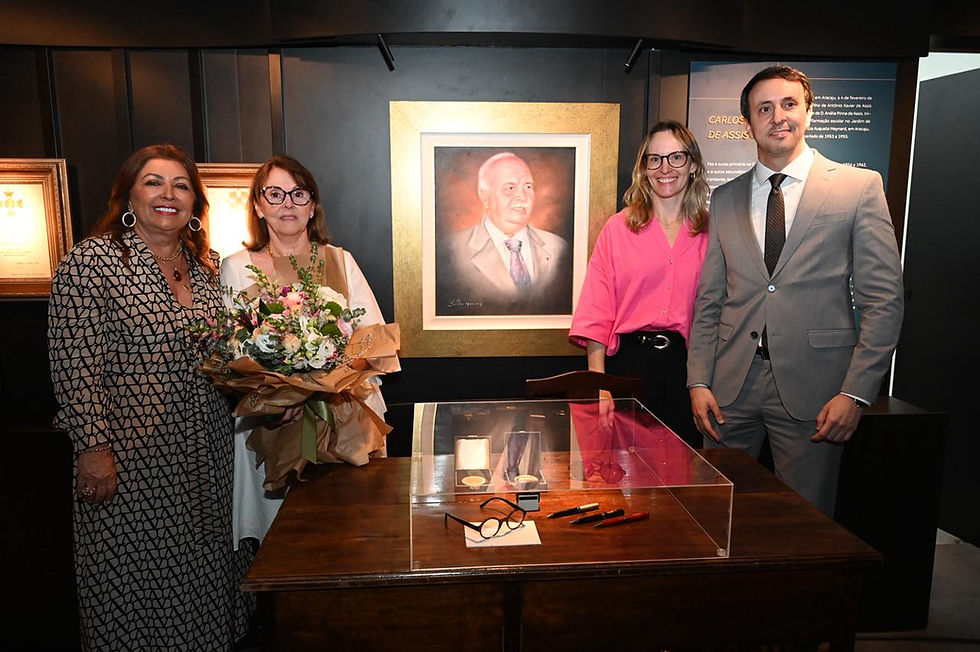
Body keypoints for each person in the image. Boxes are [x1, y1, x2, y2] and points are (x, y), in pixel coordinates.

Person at [47, 144, 251, 649]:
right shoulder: (92, 262)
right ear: (128, 196)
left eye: (181, 185)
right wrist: (93, 451)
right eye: (154, 182)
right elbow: (75, 365)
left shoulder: (207, 268)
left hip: (207, 452)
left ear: (195, 203)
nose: (169, 194)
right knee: (130, 577)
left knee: (204, 574)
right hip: (129, 458)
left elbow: (227, 355)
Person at [687, 65, 904, 515]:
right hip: (729, 389)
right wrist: (698, 379)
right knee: (715, 516)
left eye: (788, 104)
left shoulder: (858, 188)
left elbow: (883, 301)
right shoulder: (724, 198)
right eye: (763, 108)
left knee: (806, 522)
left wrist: (856, 393)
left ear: (808, 110)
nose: (777, 116)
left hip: (817, 393)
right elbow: (709, 300)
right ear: (747, 123)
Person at [219, 154, 393, 548]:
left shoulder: (341, 260)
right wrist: (282, 397)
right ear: (259, 206)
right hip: (274, 421)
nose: (287, 204)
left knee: (351, 534)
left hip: (345, 412)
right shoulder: (237, 267)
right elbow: (232, 350)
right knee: (284, 544)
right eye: (275, 194)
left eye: (298, 194)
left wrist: (319, 388)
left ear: (312, 205)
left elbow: (372, 338)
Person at [569, 121, 709, 448]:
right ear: (643, 169)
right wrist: (601, 385)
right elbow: (596, 310)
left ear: (692, 165)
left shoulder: (711, 233)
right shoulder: (618, 229)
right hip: (628, 368)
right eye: (654, 159)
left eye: (676, 157)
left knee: (680, 474)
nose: (665, 168)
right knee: (625, 473)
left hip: (687, 372)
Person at [438, 152, 571, 315]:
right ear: (484, 197)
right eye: (510, 187)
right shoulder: (451, 252)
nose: (522, 197)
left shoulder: (558, 248)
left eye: (528, 186)